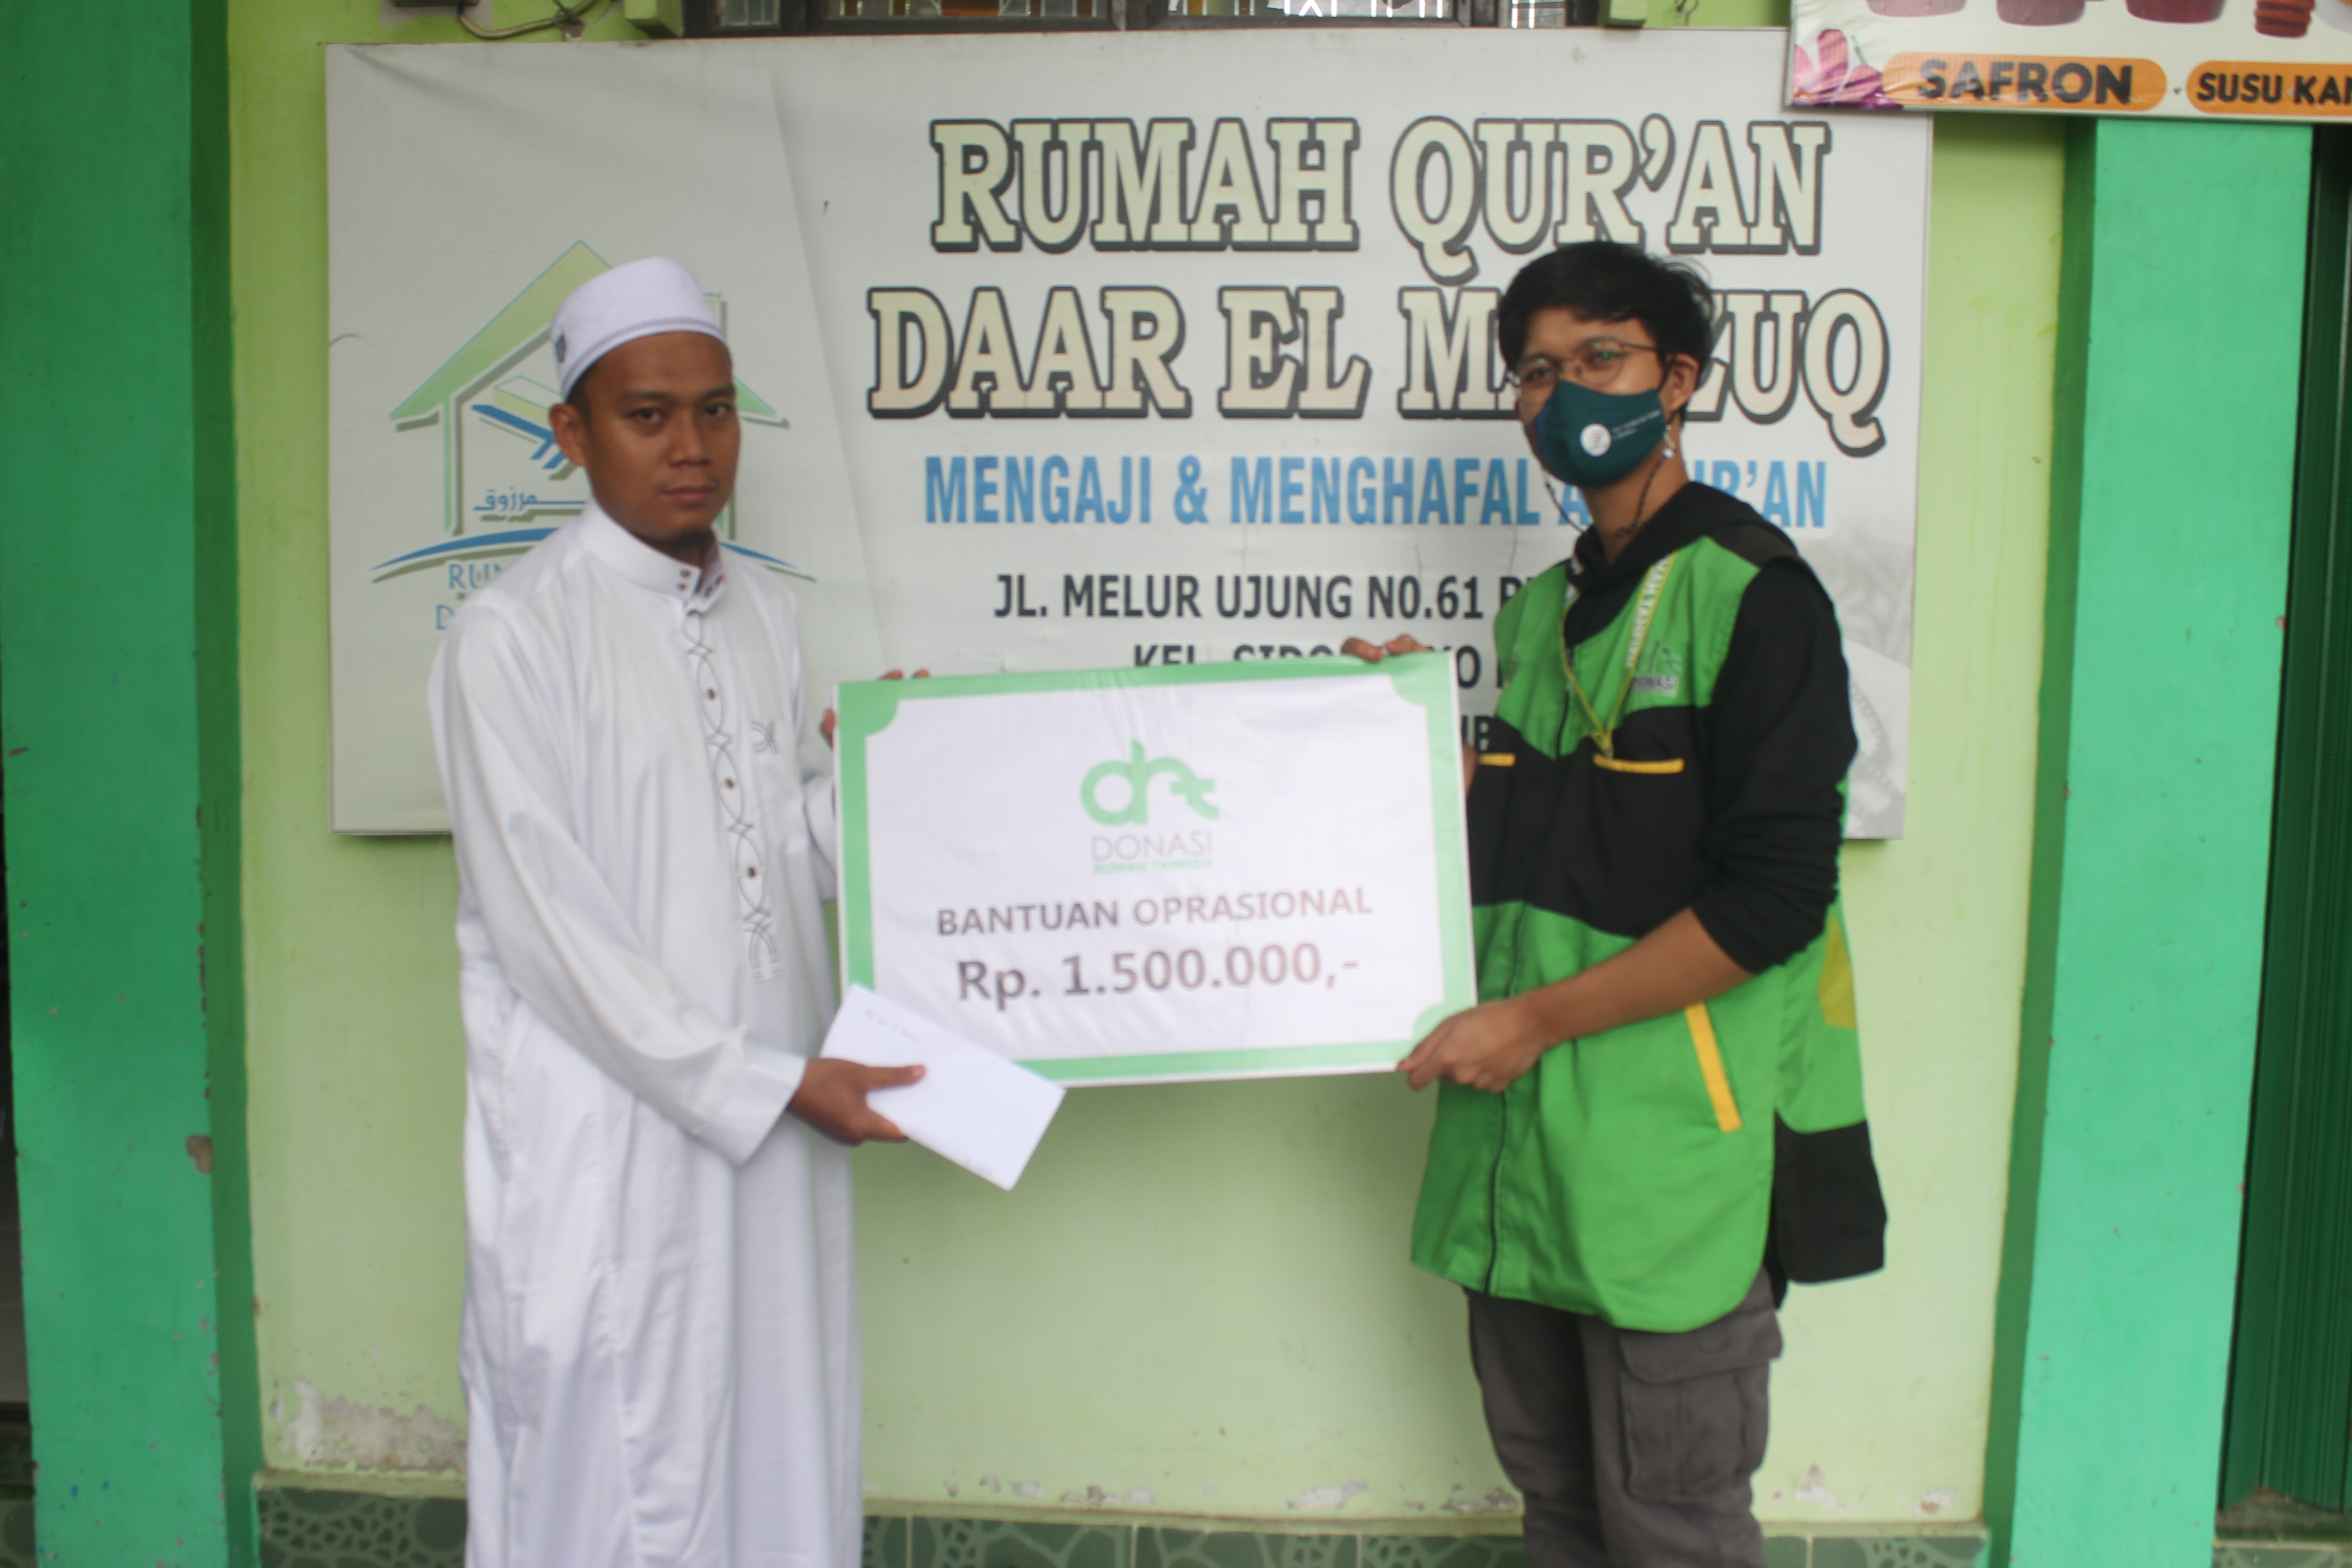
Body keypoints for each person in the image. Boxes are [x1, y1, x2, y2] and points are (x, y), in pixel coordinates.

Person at [1346, 242, 1886, 1568]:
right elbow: (1543, 849)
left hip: (1671, 1164)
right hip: (1523, 1158)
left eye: (1601, 357)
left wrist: (1530, 1022)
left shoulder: (1757, 598)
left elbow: (1773, 903)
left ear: (1678, 380)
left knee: (1671, 1528)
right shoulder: (1542, 614)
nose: (1564, 391)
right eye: (1538, 371)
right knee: (1561, 1511)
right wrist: (1401, 736)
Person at [431, 258, 919, 1568]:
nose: (692, 447)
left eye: (714, 409)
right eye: (647, 416)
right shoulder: (511, 636)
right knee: (617, 1474)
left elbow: (773, 856)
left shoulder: (764, 611)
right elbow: (550, 932)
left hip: (774, 1121)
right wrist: (765, 1084)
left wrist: (887, 781)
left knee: (776, 1443)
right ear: (572, 432)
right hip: (614, 1145)